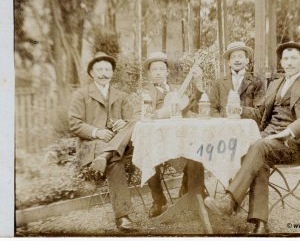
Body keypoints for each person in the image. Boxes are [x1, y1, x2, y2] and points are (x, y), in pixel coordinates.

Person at [204, 41, 300, 234]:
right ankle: (260, 223)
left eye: (294, 58)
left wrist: (289, 130)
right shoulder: (276, 84)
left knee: (259, 148)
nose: (289, 63)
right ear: (281, 61)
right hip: (269, 140)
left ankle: (230, 202)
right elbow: (260, 113)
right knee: (255, 156)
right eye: (286, 58)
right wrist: (239, 109)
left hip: (293, 143)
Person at [69, 52, 136, 232]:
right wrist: (97, 132)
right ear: (91, 72)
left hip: (120, 144)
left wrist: (125, 122)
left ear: (112, 73)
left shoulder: (120, 96)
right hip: (93, 146)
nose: (104, 73)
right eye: (99, 69)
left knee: (137, 122)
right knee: (115, 161)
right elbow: (74, 124)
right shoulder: (81, 95)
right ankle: (123, 217)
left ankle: (107, 154)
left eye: (107, 69)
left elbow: (133, 120)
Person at [136, 51, 207, 218]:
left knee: (198, 145)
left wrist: (198, 82)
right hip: (156, 140)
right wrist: (159, 114)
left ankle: (188, 189)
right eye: (154, 70)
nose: (159, 72)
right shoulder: (143, 92)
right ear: (149, 73)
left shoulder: (177, 91)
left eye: (162, 69)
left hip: (178, 138)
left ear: (167, 72)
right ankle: (158, 199)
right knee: (149, 153)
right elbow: (139, 115)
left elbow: (194, 105)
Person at [209, 41, 264, 117]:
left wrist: (240, 110)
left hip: (246, 127)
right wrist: (221, 122)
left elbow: (260, 112)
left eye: (240, 56)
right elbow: (212, 109)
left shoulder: (256, 82)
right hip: (223, 126)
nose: (237, 60)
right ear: (229, 62)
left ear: (247, 60)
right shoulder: (219, 83)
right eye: (233, 57)